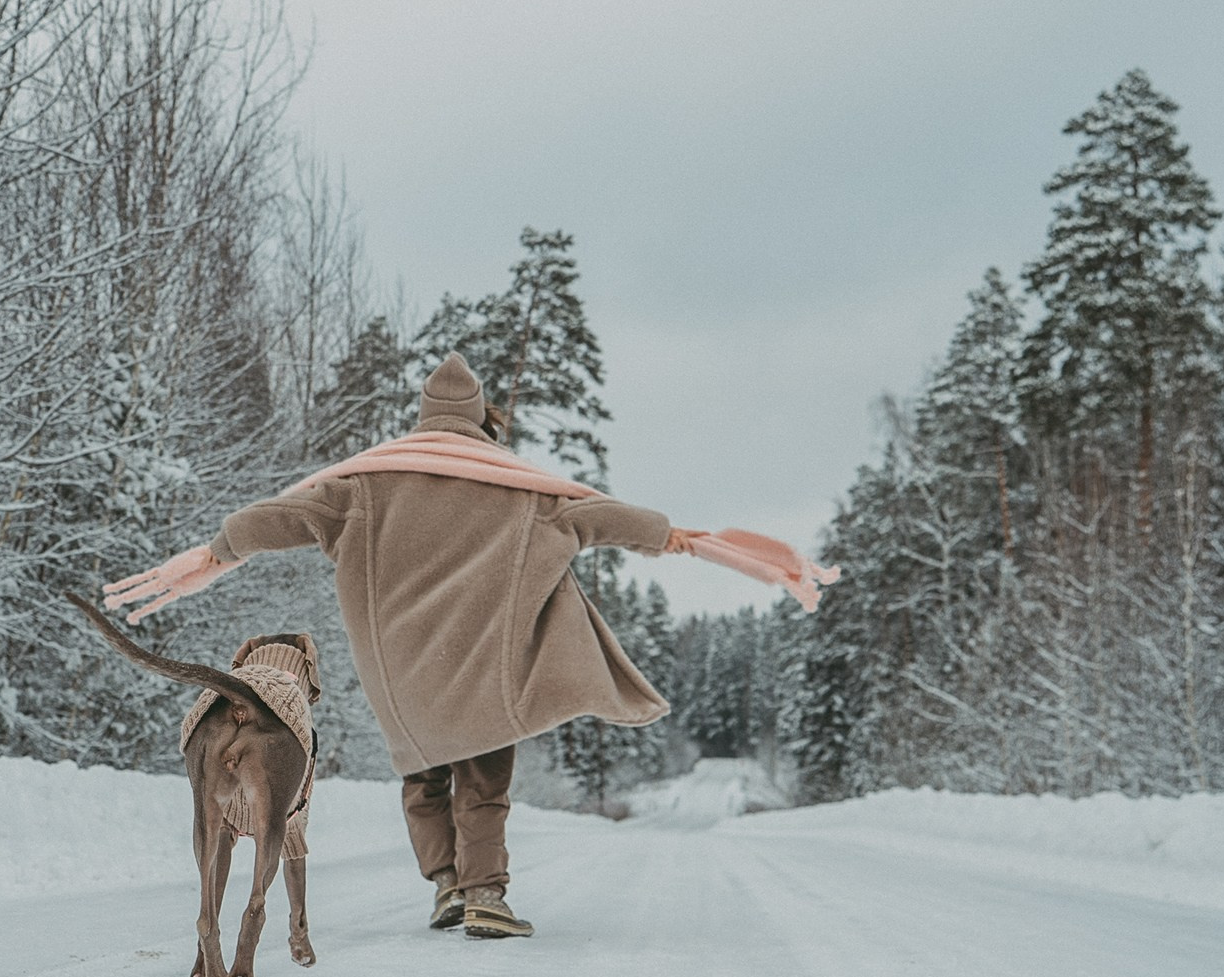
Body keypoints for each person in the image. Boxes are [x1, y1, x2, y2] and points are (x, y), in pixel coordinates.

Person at [102, 354, 837, 938]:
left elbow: (283, 515)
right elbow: (599, 515)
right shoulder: (520, 488)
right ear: (482, 420)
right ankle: (485, 892)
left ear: (423, 419)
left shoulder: (365, 485)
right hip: (486, 666)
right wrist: (674, 537)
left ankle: (448, 886)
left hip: (405, 674)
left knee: (424, 778)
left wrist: (221, 547)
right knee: (484, 779)